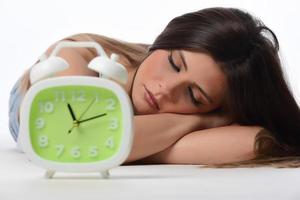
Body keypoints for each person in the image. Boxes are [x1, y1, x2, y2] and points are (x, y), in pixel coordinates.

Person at [9, 7, 300, 167]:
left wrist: (130, 145)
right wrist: (202, 121)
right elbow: (75, 139)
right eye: (174, 63)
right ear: (163, 39)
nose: (163, 89)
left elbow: (254, 142)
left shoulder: (215, 111)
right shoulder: (81, 54)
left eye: (194, 96)